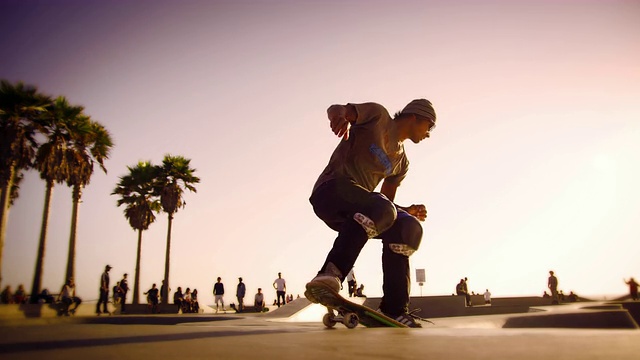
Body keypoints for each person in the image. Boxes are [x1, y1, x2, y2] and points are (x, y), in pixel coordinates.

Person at [304, 99, 435, 328]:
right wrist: (338, 117)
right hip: (332, 190)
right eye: (429, 126)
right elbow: (337, 108)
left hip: (357, 213)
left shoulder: (401, 163)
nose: (429, 134)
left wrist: (406, 212)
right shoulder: (378, 116)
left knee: (408, 228)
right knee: (382, 208)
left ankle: (394, 309)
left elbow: (387, 205)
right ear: (415, 116)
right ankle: (330, 274)